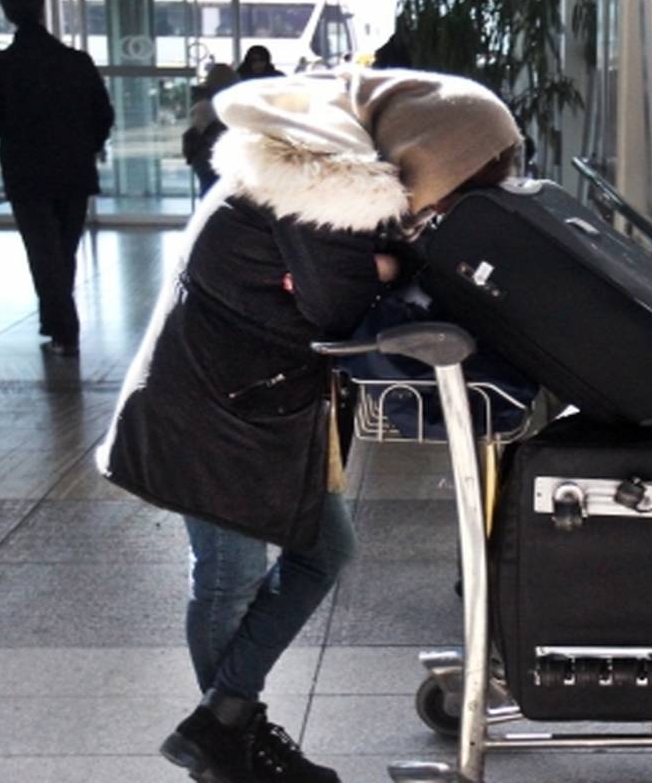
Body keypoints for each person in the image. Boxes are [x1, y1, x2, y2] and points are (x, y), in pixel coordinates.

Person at [96, 68, 522, 783]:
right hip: (212, 409)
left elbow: (344, 282)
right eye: (458, 188)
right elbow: (337, 309)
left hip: (252, 402)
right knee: (229, 577)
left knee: (322, 554)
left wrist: (379, 262)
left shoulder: (324, 177)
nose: (447, 208)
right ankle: (229, 741)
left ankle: (223, 724)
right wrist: (377, 268)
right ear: (433, 156)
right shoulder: (321, 189)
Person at [0, 0, 114, 357]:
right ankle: (56, 323)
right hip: (74, 169)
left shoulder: (0, 67)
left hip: (26, 172)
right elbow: (103, 114)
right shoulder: (77, 62)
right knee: (64, 250)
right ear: (41, 8)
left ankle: (63, 330)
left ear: (7, 13)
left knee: (43, 251)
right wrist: (85, 144)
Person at [182, 63, 239, 194]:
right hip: (218, 158)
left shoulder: (202, 104)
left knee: (210, 193)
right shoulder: (213, 105)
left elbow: (197, 129)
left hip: (205, 159)